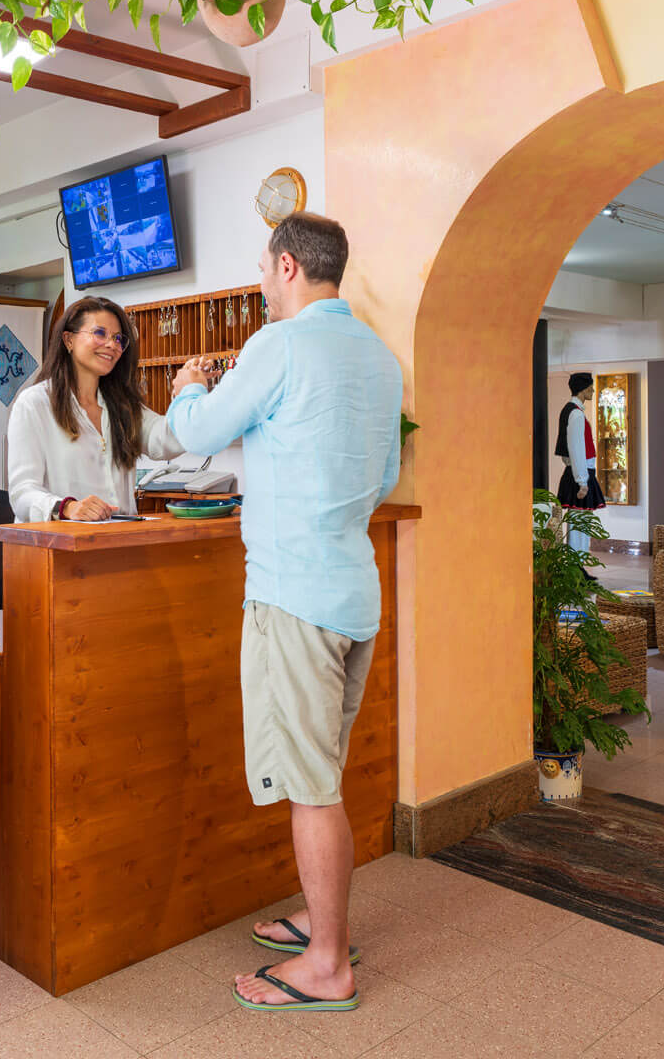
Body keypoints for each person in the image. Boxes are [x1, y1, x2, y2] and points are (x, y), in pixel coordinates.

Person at [165, 214, 402, 1015]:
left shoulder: (281, 344)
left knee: (311, 785)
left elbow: (197, 430)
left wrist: (187, 385)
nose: (263, 283)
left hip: (293, 598)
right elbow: (381, 477)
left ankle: (328, 964)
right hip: (353, 592)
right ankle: (317, 922)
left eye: (266, 270)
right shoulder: (378, 356)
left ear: (290, 266)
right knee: (321, 772)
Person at [6, 294, 184, 522]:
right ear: (68, 340)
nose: (112, 345)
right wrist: (67, 507)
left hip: (119, 538)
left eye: (118, 339)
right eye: (100, 333)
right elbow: (22, 494)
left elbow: (167, 440)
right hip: (61, 540)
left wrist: (189, 394)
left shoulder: (124, 406)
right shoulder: (34, 404)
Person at [555, 371, 603, 552]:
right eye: (590, 387)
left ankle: (580, 560)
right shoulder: (576, 414)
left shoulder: (573, 411)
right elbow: (576, 450)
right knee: (578, 524)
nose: (593, 390)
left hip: (580, 472)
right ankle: (576, 560)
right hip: (580, 474)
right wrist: (582, 481)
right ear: (583, 389)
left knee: (582, 523)